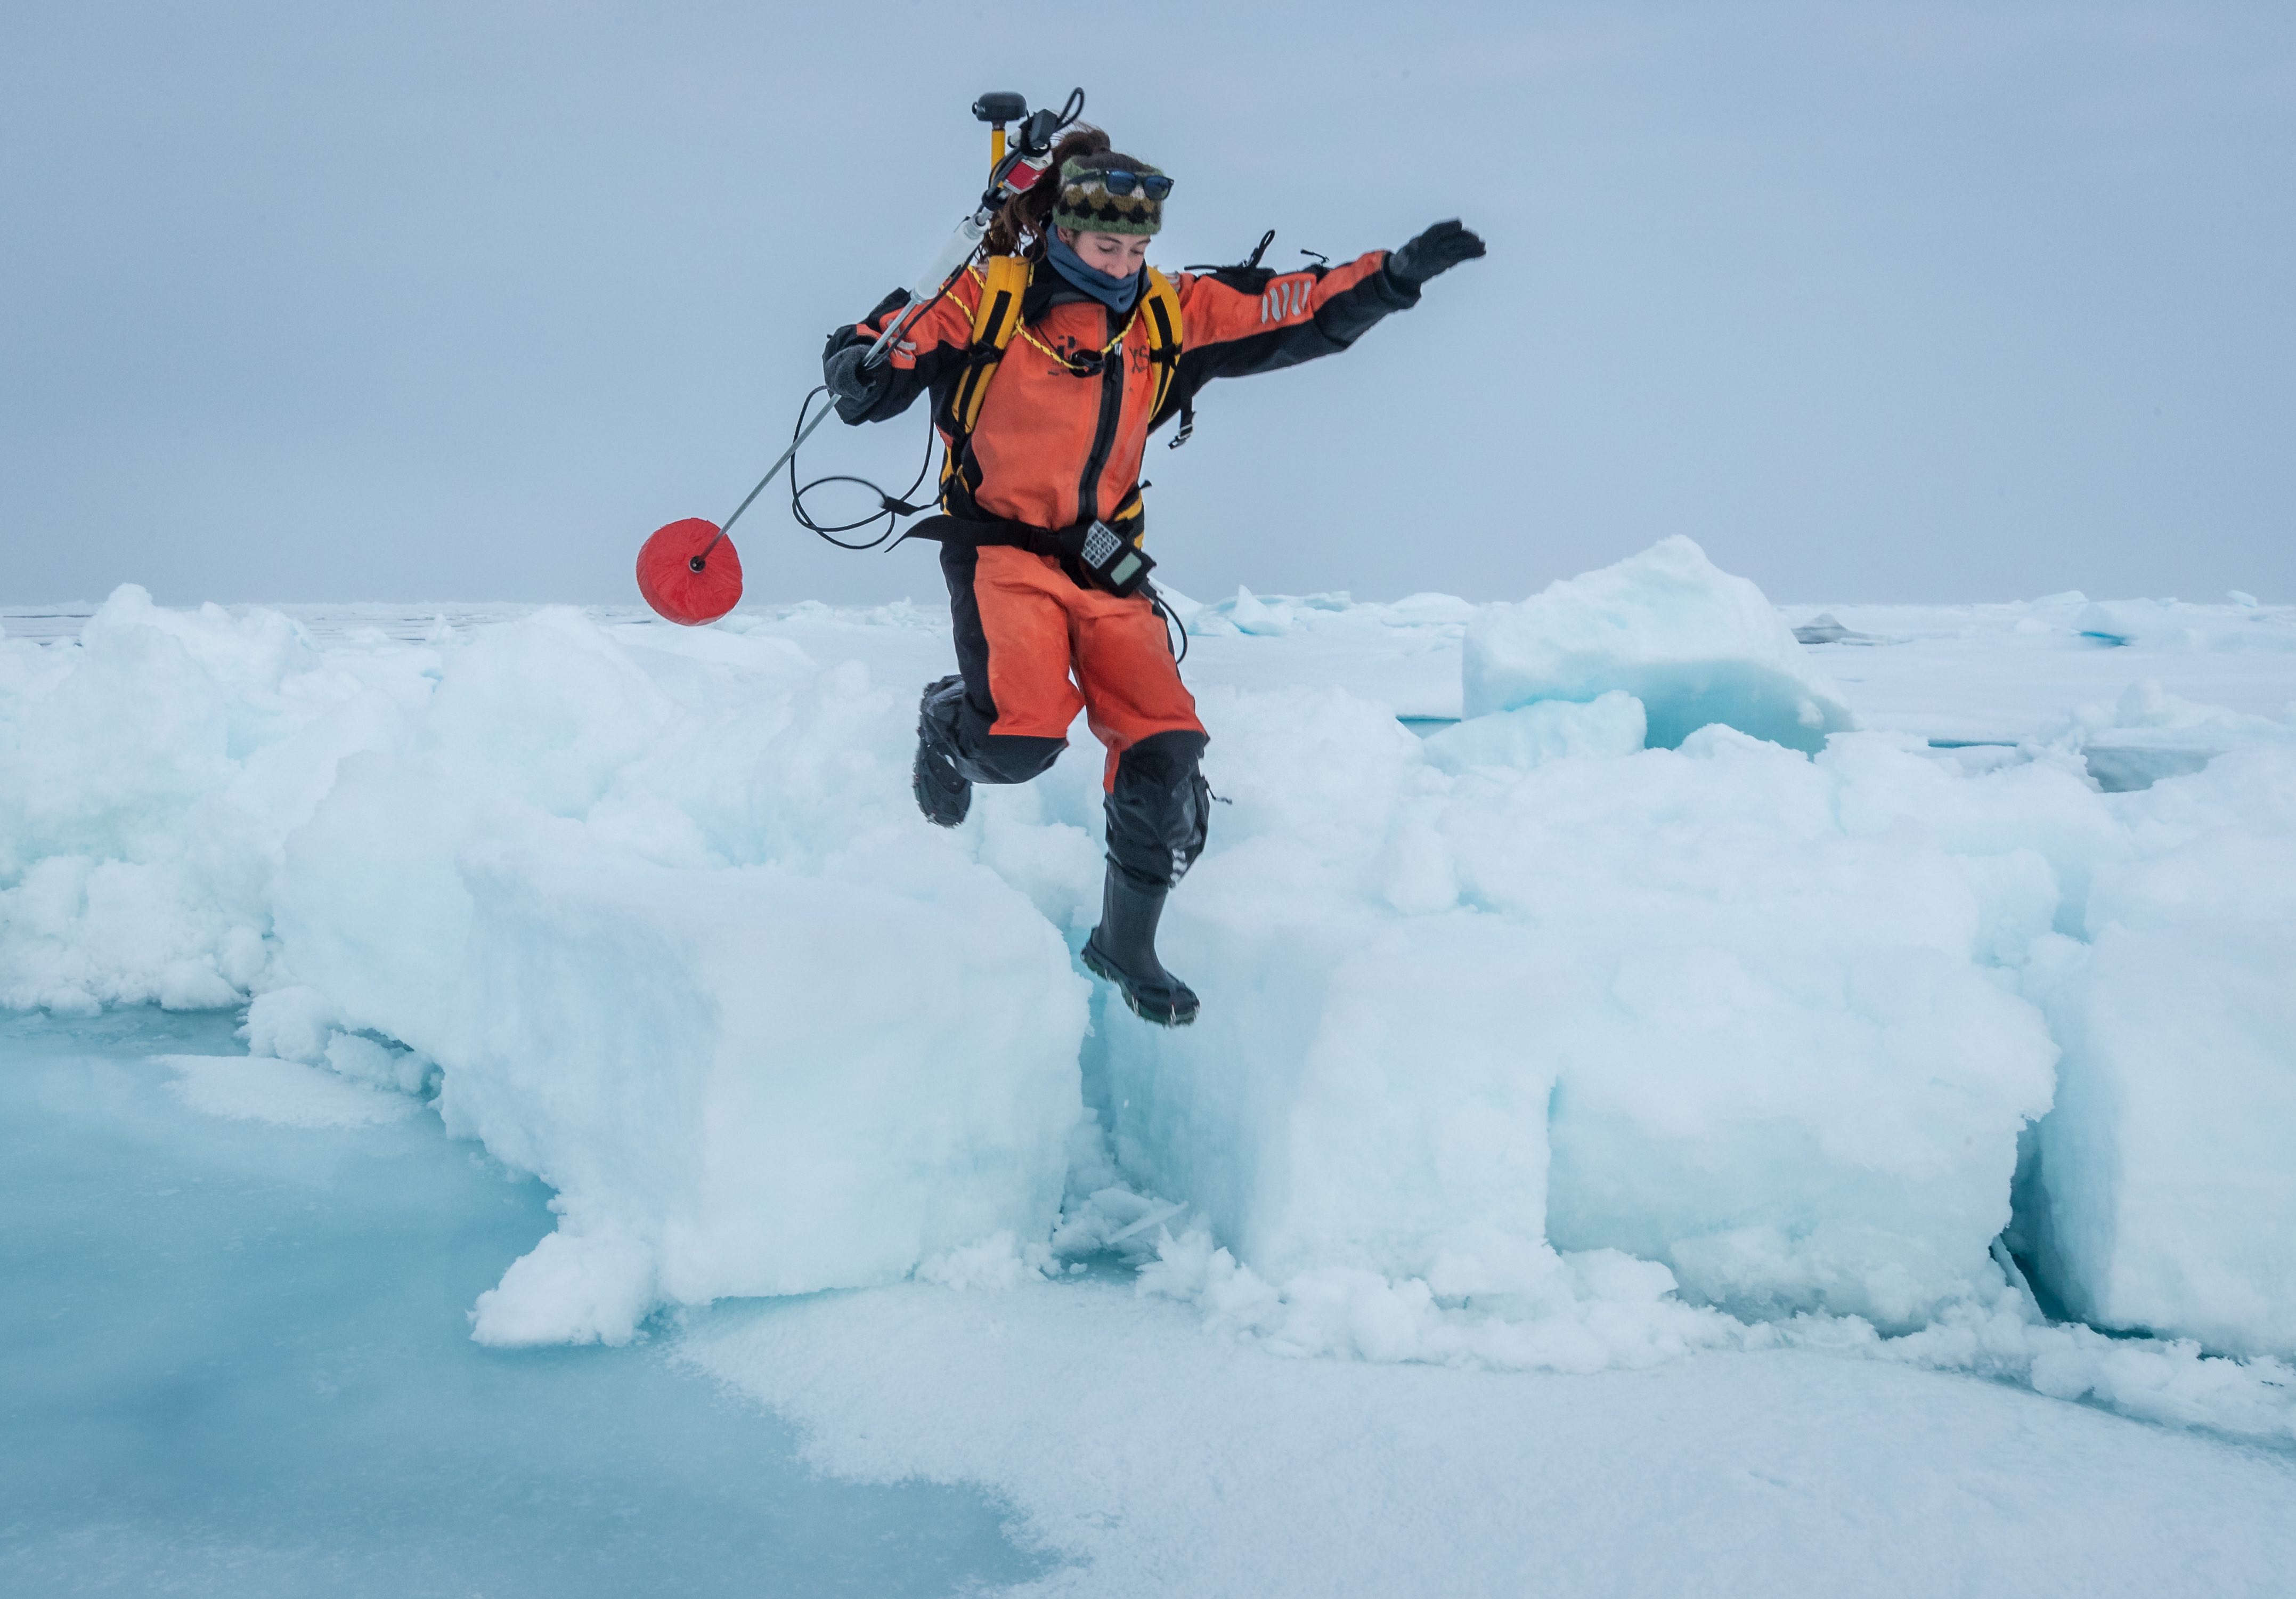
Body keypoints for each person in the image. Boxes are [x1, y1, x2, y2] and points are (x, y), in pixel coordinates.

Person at [821, 127, 1483, 1027]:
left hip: (1106, 564)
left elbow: (1291, 308)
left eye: (1138, 247)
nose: (1126, 262)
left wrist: (1392, 279)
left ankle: (1124, 944)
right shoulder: (985, 297)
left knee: (1165, 758)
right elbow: (887, 344)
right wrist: (860, 369)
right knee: (1016, 745)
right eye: (1107, 245)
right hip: (1002, 552)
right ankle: (948, 721)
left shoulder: (1170, 313)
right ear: (1060, 228)